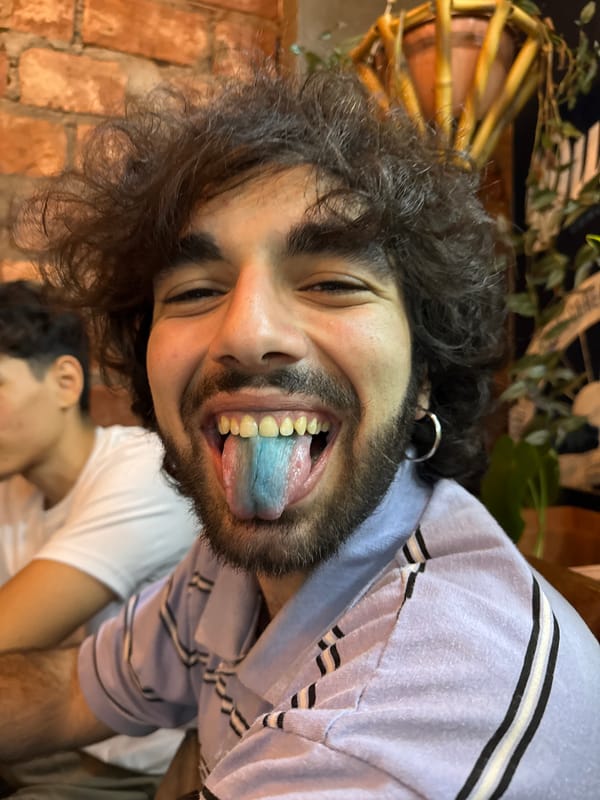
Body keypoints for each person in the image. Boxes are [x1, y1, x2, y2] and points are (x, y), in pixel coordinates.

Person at [1, 67, 599, 799]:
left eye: (332, 283)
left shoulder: (421, 703)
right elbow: (69, 689)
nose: (248, 334)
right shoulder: (224, 571)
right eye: (195, 291)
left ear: (424, 380)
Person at [0, 280, 198, 797]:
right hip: (38, 741)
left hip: (123, 768)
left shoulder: (144, 472)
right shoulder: (14, 489)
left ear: (66, 381)